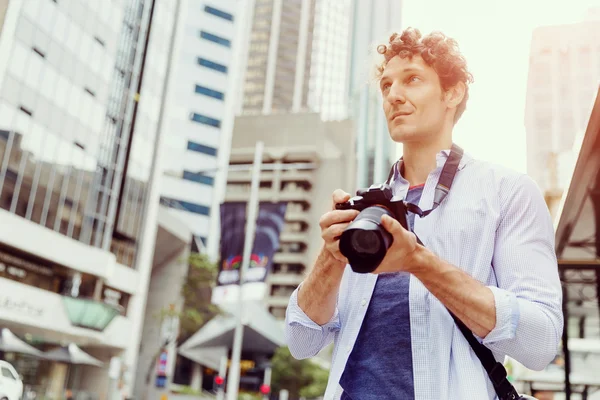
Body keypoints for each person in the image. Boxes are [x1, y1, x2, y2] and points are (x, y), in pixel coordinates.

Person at [284, 27, 563, 400]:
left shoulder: (507, 191)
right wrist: (330, 258)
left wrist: (420, 262)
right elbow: (301, 341)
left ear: (453, 91)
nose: (393, 96)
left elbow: (541, 341)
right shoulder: (363, 210)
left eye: (412, 79)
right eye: (386, 85)